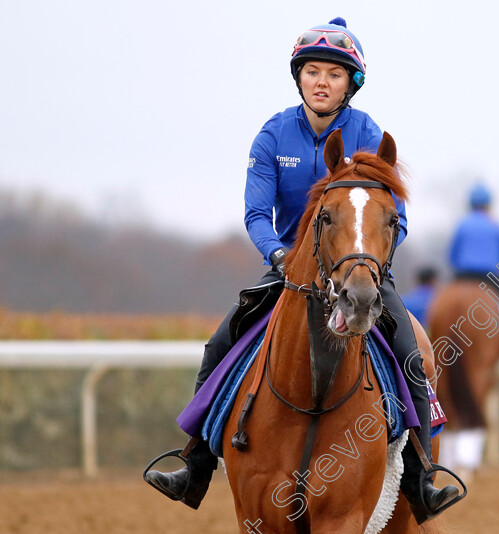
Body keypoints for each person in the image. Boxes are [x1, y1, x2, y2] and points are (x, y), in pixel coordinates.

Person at [145, 17, 460, 524]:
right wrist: (279, 256)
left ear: (350, 84)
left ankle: (422, 474)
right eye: (312, 71)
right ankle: (195, 462)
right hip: (289, 272)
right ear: (299, 78)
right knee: (221, 342)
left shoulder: (369, 133)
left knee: (413, 352)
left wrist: (373, 266)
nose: (321, 81)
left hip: (361, 274)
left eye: (334, 74)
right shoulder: (272, 134)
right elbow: (255, 214)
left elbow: (392, 218)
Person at [448, 183, 499, 344]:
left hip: (462, 276)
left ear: (470, 204)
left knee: (440, 302)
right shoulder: (497, 226)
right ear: (489, 204)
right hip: (490, 278)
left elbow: (452, 257)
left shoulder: (462, 224)